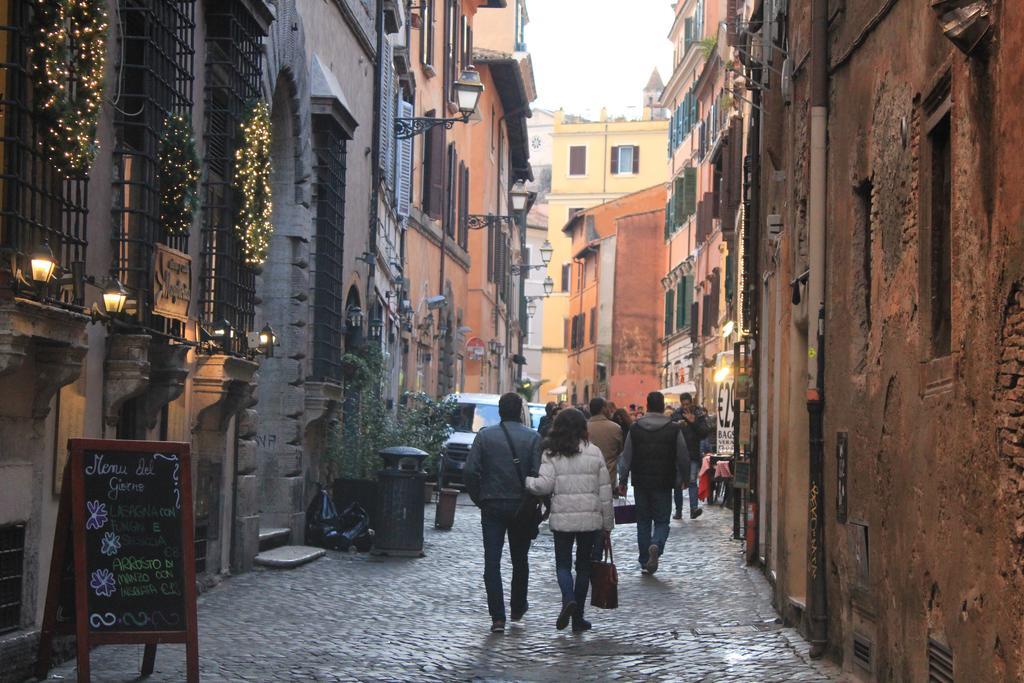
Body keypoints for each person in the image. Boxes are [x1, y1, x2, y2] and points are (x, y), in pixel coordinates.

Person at [526, 408, 613, 632]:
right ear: (583, 428)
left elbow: (544, 485)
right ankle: (578, 619)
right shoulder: (594, 452)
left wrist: (526, 482)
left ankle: (568, 599)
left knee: (563, 565)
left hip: (563, 518)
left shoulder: (551, 453)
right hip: (590, 519)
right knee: (584, 568)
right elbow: (605, 492)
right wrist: (608, 525)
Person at [463, 392, 543, 633]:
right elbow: (537, 474)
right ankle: (518, 607)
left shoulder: (485, 436)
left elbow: (469, 471)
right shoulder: (533, 438)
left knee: (492, 562)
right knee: (520, 560)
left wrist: (480, 498)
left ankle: (498, 617)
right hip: (522, 507)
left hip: (493, 505)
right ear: (520, 411)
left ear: (500, 411)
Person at [616, 391, 690, 574]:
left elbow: (626, 456)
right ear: (662, 405)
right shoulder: (673, 429)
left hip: (641, 481)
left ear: (647, 406)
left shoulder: (635, 428)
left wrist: (623, 480)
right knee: (662, 520)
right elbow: (683, 455)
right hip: (664, 481)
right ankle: (656, 544)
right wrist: (685, 477)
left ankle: (644, 560)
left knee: (643, 521)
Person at [671, 393, 714, 520]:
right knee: (678, 483)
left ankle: (693, 509)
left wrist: (693, 422)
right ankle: (678, 511)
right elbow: (671, 430)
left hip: (693, 452)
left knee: (691, 481)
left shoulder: (699, 414)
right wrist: (677, 424)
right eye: (683, 404)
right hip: (678, 453)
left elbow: (704, 433)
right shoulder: (676, 414)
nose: (685, 406)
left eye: (687, 404)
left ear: (691, 402)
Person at [586, 396, 623, 489]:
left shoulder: (584, 427)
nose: (609, 410)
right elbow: (619, 450)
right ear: (603, 409)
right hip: (608, 476)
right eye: (607, 407)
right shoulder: (615, 428)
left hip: (588, 476)